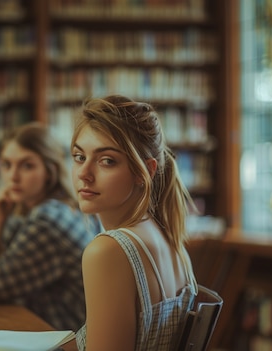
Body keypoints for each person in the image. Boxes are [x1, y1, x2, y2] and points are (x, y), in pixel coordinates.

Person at [70, 95, 198, 350]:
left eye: (107, 160)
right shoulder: (168, 237)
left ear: (146, 171)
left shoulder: (108, 251)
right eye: (79, 156)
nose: (84, 173)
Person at [0, 122, 101, 332]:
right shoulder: (52, 207)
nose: (13, 176)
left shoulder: (47, 221)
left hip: (70, 337)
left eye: (27, 166)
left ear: (49, 171)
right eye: (7, 165)